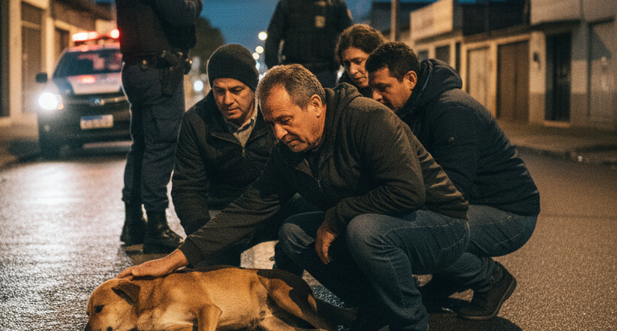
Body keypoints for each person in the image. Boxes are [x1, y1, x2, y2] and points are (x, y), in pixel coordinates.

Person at [119, 64, 471, 331]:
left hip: (438, 223)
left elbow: (408, 191)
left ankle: (410, 322)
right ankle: (373, 308)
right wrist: (176, 259)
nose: (278, 133)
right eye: (271, 123)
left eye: (285, 120)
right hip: (380, 224)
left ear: (316, 105)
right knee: (294, 232)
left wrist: (337, 216)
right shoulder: (289, 148)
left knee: (364, 229)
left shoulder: (368, 119)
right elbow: (249, 207)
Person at [365, 42, 540, 321]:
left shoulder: (451, 110)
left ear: (410, 79)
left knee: (411, 234)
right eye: (372, 89)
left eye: (383, 88)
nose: (375, 96)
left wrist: (395, 204)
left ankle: (491, 280)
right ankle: (449, 279)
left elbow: (452, 188)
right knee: (410, 225)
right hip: (475, 205)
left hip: (511, 215)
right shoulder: (415, 107)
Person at [171, 44, 314, 269]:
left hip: (272, 206)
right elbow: (187, 188)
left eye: (236, 90)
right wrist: (202, 237)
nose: (227, 100)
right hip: (222, 216)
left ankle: (285, 269)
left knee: (308, 210)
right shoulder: (196, 120)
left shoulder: (273, 114)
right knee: (211, 281)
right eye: (219, 91)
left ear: (254, 88)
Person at [114, 0, 202, 253]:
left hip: (136, 69)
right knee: (161, 146)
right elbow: (183, 14)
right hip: (158, 73)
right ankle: (157, 226)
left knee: (141, 146)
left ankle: (133, 222)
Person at [264, 0, 353, 88]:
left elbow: (349, 37)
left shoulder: (334, 3)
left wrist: (348, 66)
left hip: (325, 72)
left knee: (324, 107)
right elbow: (273, 37)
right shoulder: (287, 3)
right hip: (293, 72)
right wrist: (275, 69)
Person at [334, 24, 386, 97]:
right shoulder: (342, 93)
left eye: (358, 61)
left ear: (377, 56)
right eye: (347, 64)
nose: (352, 71)